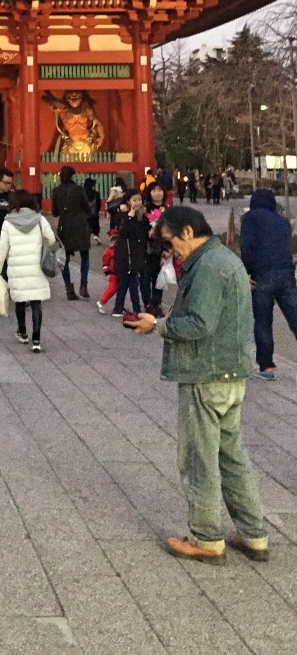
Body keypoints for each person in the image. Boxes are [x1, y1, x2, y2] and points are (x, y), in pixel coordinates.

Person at [126, 206, 269, 564]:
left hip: (206, 373)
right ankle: (254, 534)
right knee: (231, 455)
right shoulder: (224, 259)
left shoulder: (207, 266)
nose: (171, 250)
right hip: (231, 372)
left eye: (171, 241)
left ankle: (207, 538)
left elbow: (198, 324)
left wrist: (156, 326)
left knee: (199, 458)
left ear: (187, 232)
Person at [239, 188, 297, 380]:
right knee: (294, 315)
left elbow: (247, 247)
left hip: (261, 275)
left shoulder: (250, 219)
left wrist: (248, 271)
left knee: (263, 321)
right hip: (286, 273)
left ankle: (266, 367)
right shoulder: (283, 222)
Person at [0, 189, 55, 352]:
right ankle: (37, 339)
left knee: (20, 300)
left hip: (17, 268)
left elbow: (2, 248)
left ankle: (23, 332)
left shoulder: (8, 222)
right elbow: (52, 239)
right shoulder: (40, 219)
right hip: (36, 267)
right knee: (36, 302)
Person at [51, 165, 91, 300]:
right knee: (85, 256)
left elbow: (55, 212)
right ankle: (83, 285)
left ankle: (69, 289)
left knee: (64, 259)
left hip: (65, 227)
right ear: (73, 176)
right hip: (80, 225)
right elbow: (87, 208)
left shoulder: (56, 191)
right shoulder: (79, 189)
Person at [112, 189, 149, 317]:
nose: (137, 202)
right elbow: (122, 232)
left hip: (137, 253)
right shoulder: (123, 216)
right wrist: (129, 217)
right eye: (134, 200)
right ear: (128, 201)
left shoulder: (143, 215)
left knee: (125, 281)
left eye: (139, 199)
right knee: (132, 282)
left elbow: (144, 232)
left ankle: (118, 307)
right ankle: (137, 309)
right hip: (126, 254)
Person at [142, 181, 168, 316]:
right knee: (146, 277)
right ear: (149, 193)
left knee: (159, 278)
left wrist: (168, 249)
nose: (157, 193)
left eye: (159, 190)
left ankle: (157, 304)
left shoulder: (168, 210)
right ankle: (147, 304)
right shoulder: (144, 209)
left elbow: (172, 231)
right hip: (146, 249)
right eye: (154, 190)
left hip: (161, 249)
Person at [82, 176, 102, 243]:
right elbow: (99, 204)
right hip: (94, 213)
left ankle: (86, 238)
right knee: (95, 225)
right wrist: (97, 210)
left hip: (84, 213)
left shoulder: (82, 193)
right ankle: (96, 235)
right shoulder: (96, 193)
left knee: (85, 226)